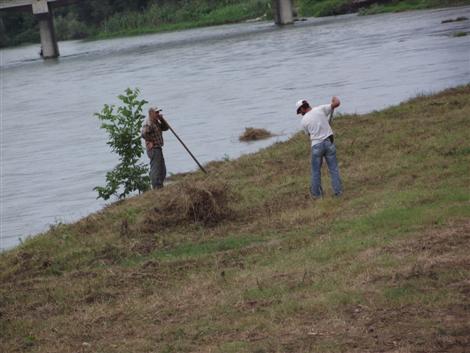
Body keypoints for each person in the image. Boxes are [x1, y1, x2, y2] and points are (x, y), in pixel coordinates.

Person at [296, 96, 342, 198]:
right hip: (329, 143)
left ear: (303, 108)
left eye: (300, 111)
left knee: (316, 171)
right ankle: (338, 193)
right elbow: (337, 103)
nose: (301, 114)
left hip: (316, 146)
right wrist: (334, 98)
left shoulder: (303, 121)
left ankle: (317, 195)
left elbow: (309, 135)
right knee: (333, 169)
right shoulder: (321, 109)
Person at [141, 107, 169, 189]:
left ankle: (159, 185)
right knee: (156, 169)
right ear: (151, 114)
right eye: (156, 112)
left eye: (158, 112)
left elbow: (166, 128)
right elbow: (143, 134)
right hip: (154, 149)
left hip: (158, 148)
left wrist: (162, 119)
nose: (158, 114)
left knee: (162, 169)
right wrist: (149, 141)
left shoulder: (156, 122)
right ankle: (156, 187)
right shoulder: (148, 123)